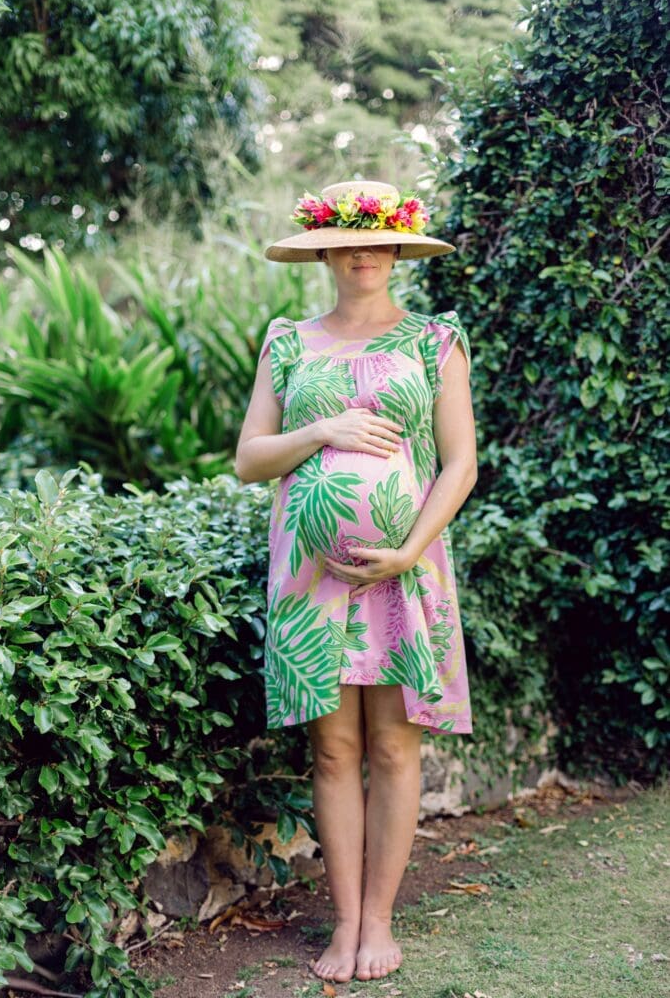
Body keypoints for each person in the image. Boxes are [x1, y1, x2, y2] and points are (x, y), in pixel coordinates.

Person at [234, 179, 477, 984]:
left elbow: (459, 463)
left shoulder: (433, 340)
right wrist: (321, 429)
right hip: (311, 576)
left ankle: (378, 920)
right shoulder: (287, 342)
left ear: (397, 247)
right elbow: (249, 461)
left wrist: (410, 549)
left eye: (374, 237)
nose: (361, 251)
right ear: (323, 252)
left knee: (392, 744)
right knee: (333, 749)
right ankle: (342, 922)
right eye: (344, 239)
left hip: (405, 567)